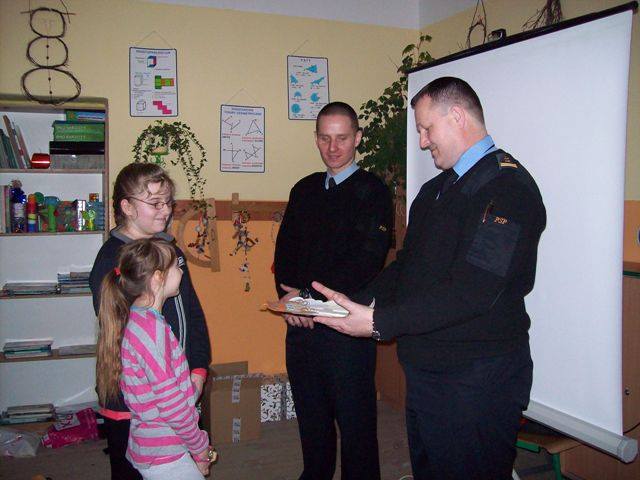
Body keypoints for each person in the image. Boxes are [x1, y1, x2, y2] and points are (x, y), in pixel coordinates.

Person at [312, 77, 547, 480]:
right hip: (427, 374)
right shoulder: (436, 190)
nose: (422, 142)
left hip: (476, 379)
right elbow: (408, 266)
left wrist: (378, 322)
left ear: (457, 116)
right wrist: (355, 301)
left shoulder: (508, 189)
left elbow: (475, 290)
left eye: (426, 128)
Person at [274, 101, 392, 479]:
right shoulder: (304, 189)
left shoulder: (374, 192)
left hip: (346, 327)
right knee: (312, 419)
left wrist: (308, 299)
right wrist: (291, 300)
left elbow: (366, 261)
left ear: (357, 138)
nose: (333, 147)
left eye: (342, 138)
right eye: (325, 138)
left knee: (356, 425)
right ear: (316, 139)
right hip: (301, 327)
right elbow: (284, 252)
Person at [89, 163, 211, 480]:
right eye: (155, 203)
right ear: (127, 207)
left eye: (168, 202)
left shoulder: (169, 251)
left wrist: (198, 367)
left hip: (176, 388)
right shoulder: (112, 258)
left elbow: (192, 313)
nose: (165, 210)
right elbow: (124, 337)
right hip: (135, 402)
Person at [96, 238, 215, 479]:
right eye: (176, 266)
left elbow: (159, 388)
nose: (182, 271)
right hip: (166, 450)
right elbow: (172, 406)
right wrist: (200, 447)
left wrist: (189, 389)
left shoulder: (142, 320)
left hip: (156, 443)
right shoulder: (151, 332)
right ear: (159, 278)